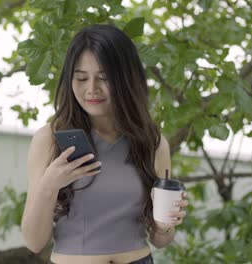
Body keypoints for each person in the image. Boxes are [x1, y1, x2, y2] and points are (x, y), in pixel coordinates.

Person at [21, 24, 189, 264]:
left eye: (104, 78)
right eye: (81, 78)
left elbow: (160, 240)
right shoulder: (49, 139)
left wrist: (164, 225)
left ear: (126, 79)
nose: (91, 89)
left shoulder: (152, 142)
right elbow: (34, 242)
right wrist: (50, 184)